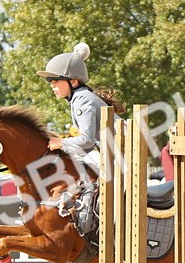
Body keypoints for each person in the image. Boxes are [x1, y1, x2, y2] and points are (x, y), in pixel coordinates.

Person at [36, 42, 124, 175]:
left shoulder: (81, 99)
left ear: (73, 81)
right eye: (50, 82)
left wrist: (61, 143)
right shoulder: (80, 96)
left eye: (55, 81)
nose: (52, 86)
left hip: (123, 154)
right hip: (117, 151)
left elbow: (87, 140)